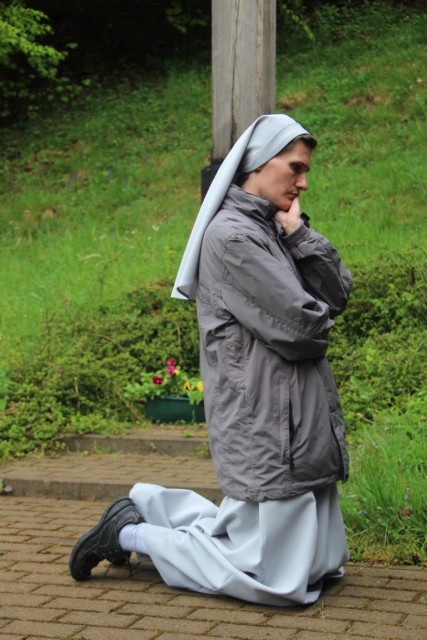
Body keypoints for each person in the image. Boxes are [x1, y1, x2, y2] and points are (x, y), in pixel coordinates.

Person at [69, 113, 353, 607]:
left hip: (294, 411)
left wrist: (298, 233)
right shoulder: (234, 237)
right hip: (269, 415)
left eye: (306, 171)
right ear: (258, 164)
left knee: (317, 564)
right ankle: (130, 534)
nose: (304, 182)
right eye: (295, 168)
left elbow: (337, 295)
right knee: (277, 582)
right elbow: (304, 328)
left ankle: (150, 506)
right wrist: (315, 310)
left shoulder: (272, 228)